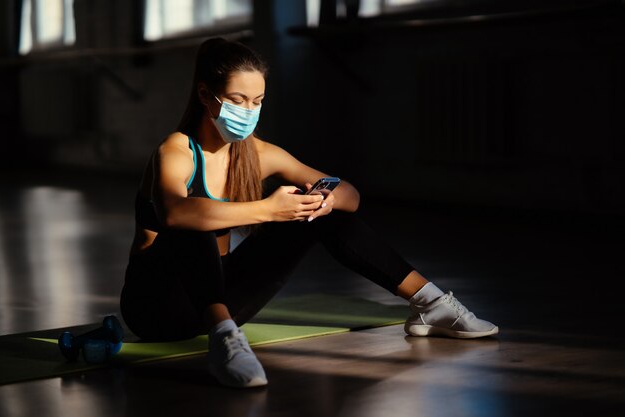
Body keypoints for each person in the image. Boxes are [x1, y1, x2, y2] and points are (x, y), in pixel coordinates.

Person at [120, 37, 498, 388]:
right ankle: (225, 341)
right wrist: (269, 209)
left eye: (258, 101)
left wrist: (324, 201)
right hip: (156, 306)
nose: (249, 111)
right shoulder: (176, 150)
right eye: (238, 99)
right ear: (206, 94)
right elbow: (173, 213)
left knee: (317, 208)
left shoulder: (259, 152)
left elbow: (348, 193)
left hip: (221, 293)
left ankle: (429, 303)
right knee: (196, 217)